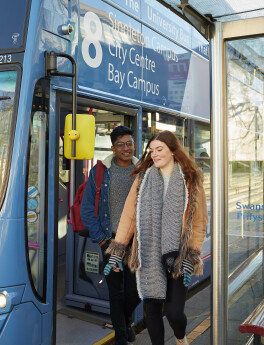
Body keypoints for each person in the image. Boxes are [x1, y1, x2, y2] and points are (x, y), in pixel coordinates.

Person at [105, 130, 208, 345]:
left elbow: (198, 223)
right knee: (151, 309)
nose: (154, 154)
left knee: (174, 313)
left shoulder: (190, 179)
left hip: (178, 256)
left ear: (172, 150)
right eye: (151, 150)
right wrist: (118, 250)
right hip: (149, 254)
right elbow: (128, 217)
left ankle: (180, 338)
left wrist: (191, 254)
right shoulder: (143, 178)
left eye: (159, 149)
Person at [80, 125, 141, 345]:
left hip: (137, 242)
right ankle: (122, 334)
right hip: (111, 240)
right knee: (116, 290)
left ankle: (125, 321)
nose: (126, 148)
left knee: (136, 290)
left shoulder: (143, 171)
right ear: (113, 147)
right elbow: (86, 209)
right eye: (121, 144)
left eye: (130, 143)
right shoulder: (100, 172)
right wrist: (103, 240)